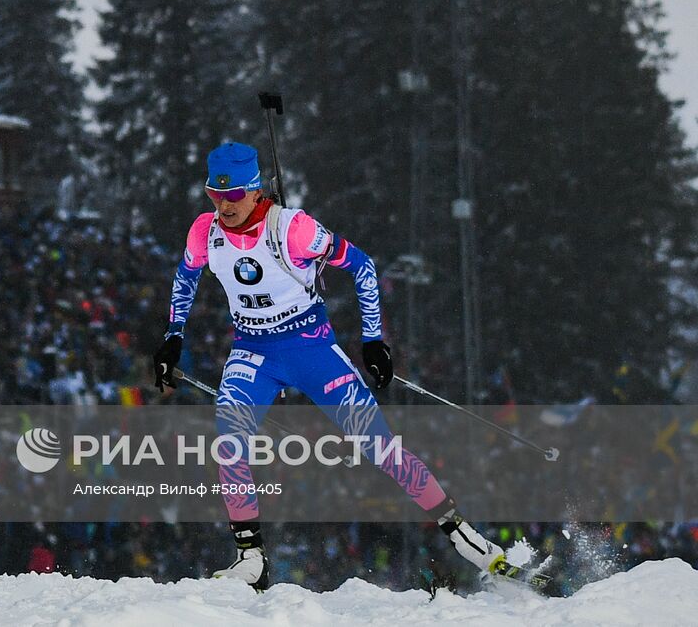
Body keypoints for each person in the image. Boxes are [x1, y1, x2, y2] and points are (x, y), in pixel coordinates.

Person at [153, 142, 514, 591]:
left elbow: (362, 267)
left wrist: (373, 342)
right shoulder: (203, 233)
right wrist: (172, 337)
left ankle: (465, 537)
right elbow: (185, 278)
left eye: (233, 196)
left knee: (379, 446)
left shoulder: (294, 229)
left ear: (254, 190)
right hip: (253, 352)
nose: (223, 205)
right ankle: (251, 557)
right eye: (214, 196)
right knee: (229, 438)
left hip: (311, 349)